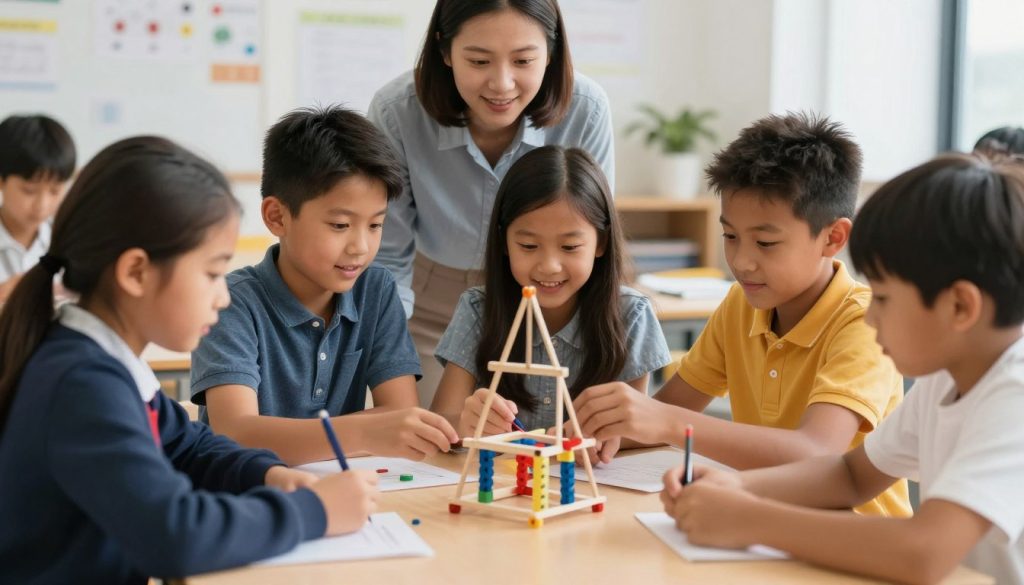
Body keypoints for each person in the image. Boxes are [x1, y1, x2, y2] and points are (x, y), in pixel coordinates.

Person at [0, 136, 379, 584]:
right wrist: (312, 511)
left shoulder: (106, 362)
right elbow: (176, 535)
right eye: (212, 273)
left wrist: (270, 475)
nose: (222, 297)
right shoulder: (82, 383)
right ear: (136, 272)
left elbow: (189, 446)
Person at [660, 153, 1024, 585]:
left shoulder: (1014, 392)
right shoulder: (948, 378)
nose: (872, 318)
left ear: (960, 306)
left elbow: (924, 553)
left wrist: (750, 519)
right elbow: (851, 474)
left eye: (884, 299)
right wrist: (736, 488)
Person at [574, 112, 910, 517]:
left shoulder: (864, 323)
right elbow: (667, 410)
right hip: (768, 530)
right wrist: (590, 432)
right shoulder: (741, 306)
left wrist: (665, 422)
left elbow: (817, 454)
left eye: (766, 243)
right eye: (730, 236)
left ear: (833, 238)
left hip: (853, 549)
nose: (741, 261)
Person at [368, 0, 615, 406]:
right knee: (436, 442)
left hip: (546, 303)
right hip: (431, 300)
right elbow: (387, 258)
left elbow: (593, 234)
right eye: (479, 61)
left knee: (544, 452)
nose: (502, 84)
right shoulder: (397, 112)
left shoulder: (585, 109)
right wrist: (389, 371)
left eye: (523, 60)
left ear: (550, 53)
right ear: (444, 50)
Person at [191, 105, 458, 466]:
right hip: (247, 495)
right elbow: (237, 434)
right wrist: (364, 432)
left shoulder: (375, 290)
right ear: (277, 217)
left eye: (375, 225)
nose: (360, 247)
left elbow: (400, 414)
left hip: (339, 490)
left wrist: (314, 436)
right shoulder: (230, 302)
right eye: (340, 225)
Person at [430, 146, 670, 461]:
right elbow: (441, 423)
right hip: (501, 489)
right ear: (504, 242)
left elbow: (637, 427)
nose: (549, 266)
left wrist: (609, 437)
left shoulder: (631, 315)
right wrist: (466, 422)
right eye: (528, 245)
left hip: (588, 486)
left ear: (601, 242)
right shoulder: (478, 309)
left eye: (570, 246)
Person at [0, 114, 76, 303]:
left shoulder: (69, 242)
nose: (42, 205)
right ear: (1, 181)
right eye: (29, 190)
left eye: (55, 191)